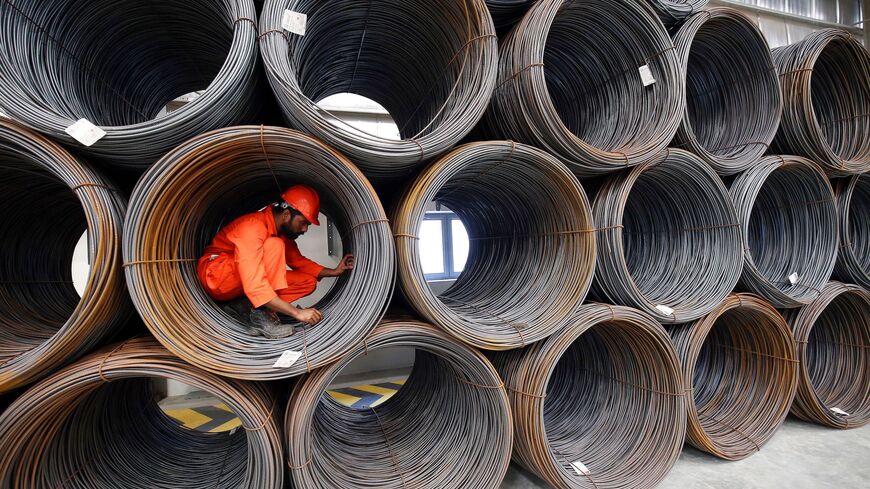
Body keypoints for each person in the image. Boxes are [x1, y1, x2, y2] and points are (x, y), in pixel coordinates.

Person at [197, 185, 354, 338]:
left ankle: (248, 307)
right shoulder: (253, 227)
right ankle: (259, 313)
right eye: (303, 222)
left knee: (307, 282)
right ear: (286, 215)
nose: (305, 229)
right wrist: (297, 313)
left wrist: (333, 272)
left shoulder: (279, 232)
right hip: (217, 277)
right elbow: (255, 283)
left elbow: (298, 261)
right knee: (274, 245)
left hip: (242, 279)